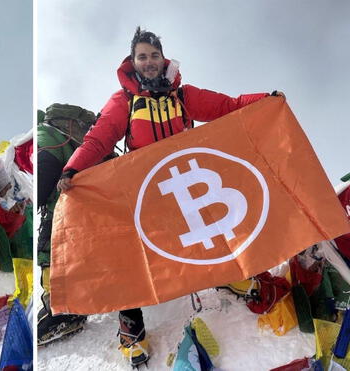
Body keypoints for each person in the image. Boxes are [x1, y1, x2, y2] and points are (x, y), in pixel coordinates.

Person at [56, 27, 283, 367]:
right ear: (133, 62)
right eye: (142, 56)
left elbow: (228, 106)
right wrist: (71, 170)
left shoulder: (184, 95)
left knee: (210, 230)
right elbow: (99, 139)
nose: (148, 62)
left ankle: (230, 276)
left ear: (163, 59)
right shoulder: (124, 101)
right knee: (130, 257)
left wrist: (265, 99)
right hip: (144, 193)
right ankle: (131, 331)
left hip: (185, 184)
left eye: (153, 55)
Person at [36, 104, 98, 346]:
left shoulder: (49, 137)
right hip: (87, 215)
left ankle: (63, 311)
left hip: (60, 215)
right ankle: (61, 304)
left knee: (50, 257)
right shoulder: (84, 146)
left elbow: (42, 178)